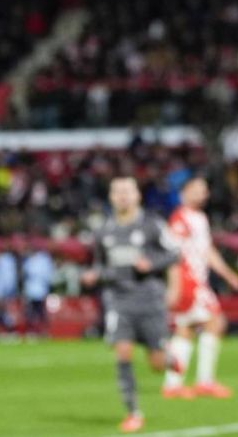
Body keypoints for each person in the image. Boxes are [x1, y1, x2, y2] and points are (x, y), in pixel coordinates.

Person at [81, 177, 182, 433]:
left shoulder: (152, 224)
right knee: (123, 353)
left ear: (137, 195)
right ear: (111, 197)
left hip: (149, 299)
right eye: (117, 191)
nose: (123, 195)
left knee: (156, 364)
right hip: (118, 301)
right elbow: (100, 263)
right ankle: (133, 413)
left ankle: (169, 357)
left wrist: (152, 263)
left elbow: (174, 252)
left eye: (128, 191)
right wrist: (94, 274)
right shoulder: (103, 230)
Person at [162, 177, 238, 399]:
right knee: (215, 323)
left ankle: (174, 384)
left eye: (205, 190)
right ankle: (202, 382)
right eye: (198, 190)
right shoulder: (180, 218)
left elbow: (207, 251)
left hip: (197, 280)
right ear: (184, 193)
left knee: (186, 329)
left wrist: (228, 275)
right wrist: (175, 284)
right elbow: (173, 255)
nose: (203, 194)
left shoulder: (199, 218)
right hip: (188, 281)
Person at [21, 243, 55, 338]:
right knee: (32, 312)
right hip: (32, 290)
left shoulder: (41, 260)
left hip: (39, 290)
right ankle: (34, 331)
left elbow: (46, 275)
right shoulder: (31, 260)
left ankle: (41, 331)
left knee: (39, 312)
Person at [0, 241, 20, 338]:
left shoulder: (4, 261)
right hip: (1, 292)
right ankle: (6, 331)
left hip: (3, 293)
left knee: (5, 312)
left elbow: (7, 279)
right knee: (1, 312)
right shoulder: (4, 261)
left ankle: (9, 331)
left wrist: (2, 294)